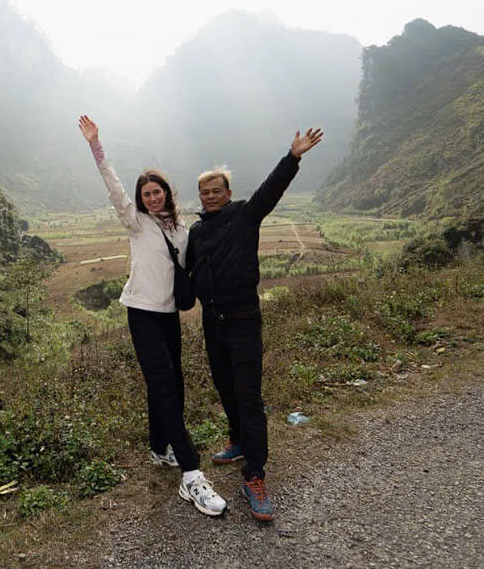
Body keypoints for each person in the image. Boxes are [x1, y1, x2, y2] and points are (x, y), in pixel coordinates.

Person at [78, 114, 226, 517]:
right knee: (164, 386)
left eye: (156, 192)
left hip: (168, 316)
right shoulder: (136, 222)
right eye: (146, 194)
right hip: (141, 315)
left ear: (166, 193)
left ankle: (160, 448)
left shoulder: (181, 229)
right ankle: (191, 473)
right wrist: (96, 145)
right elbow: (113, 186)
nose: (151, 198)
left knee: (171, 382)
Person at [185, 128, 324, 522]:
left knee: (249, 396)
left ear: (228, 192)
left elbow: (271, 190)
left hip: (244, 319)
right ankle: (238, 441)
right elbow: (189, 273)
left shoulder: (245, 215)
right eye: (205, 192)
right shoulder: (196, 231)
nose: (210, 196)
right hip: (213, 322)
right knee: (225, 386)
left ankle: (254, 475)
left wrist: (292, 157)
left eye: (216, 191)